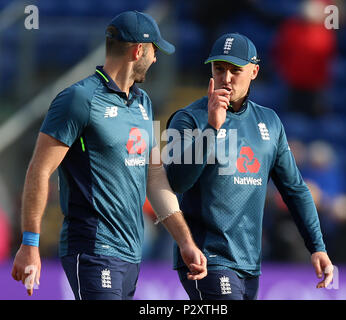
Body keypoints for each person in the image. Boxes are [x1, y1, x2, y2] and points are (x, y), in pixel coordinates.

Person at [11, 10, 207, 300]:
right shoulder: (79, 99)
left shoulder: (144, 103)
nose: (155, 59)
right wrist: (30, 243)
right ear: (139, 50)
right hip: (92, 250)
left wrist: (184, 240)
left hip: (130, 254)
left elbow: (154, 176)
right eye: (154, 51)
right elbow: (39, 170)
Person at [165, 32, 333, 300]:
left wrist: (317, 247)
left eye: (236, 70)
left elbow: (295, 189)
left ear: (254, 71)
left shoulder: (270, 122)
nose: (226, 78)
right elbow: (176, 183)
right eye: (219, 69)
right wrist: (211, 128)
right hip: (206, 258)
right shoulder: (186, 119)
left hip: (249, 262)